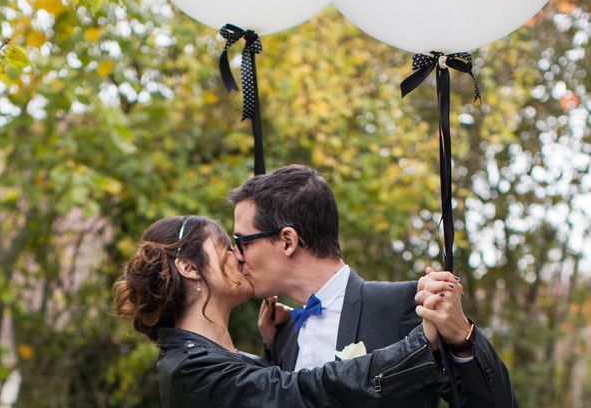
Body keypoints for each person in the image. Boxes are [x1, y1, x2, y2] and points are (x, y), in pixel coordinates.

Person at [228, 164, 519, 407]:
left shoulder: (403, 306)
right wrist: (271, 347)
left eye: (242, 242)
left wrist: (462, 338)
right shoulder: (283, 332)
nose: (237, 256)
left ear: (287, 241)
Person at [114, 215, 451, 408]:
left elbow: (256, 388)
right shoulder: (189, 370)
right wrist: (418, 345)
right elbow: (297, 392)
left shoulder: (203, 359)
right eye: (226, 248)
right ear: (189, 267)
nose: (240, 256)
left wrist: (272, 348)